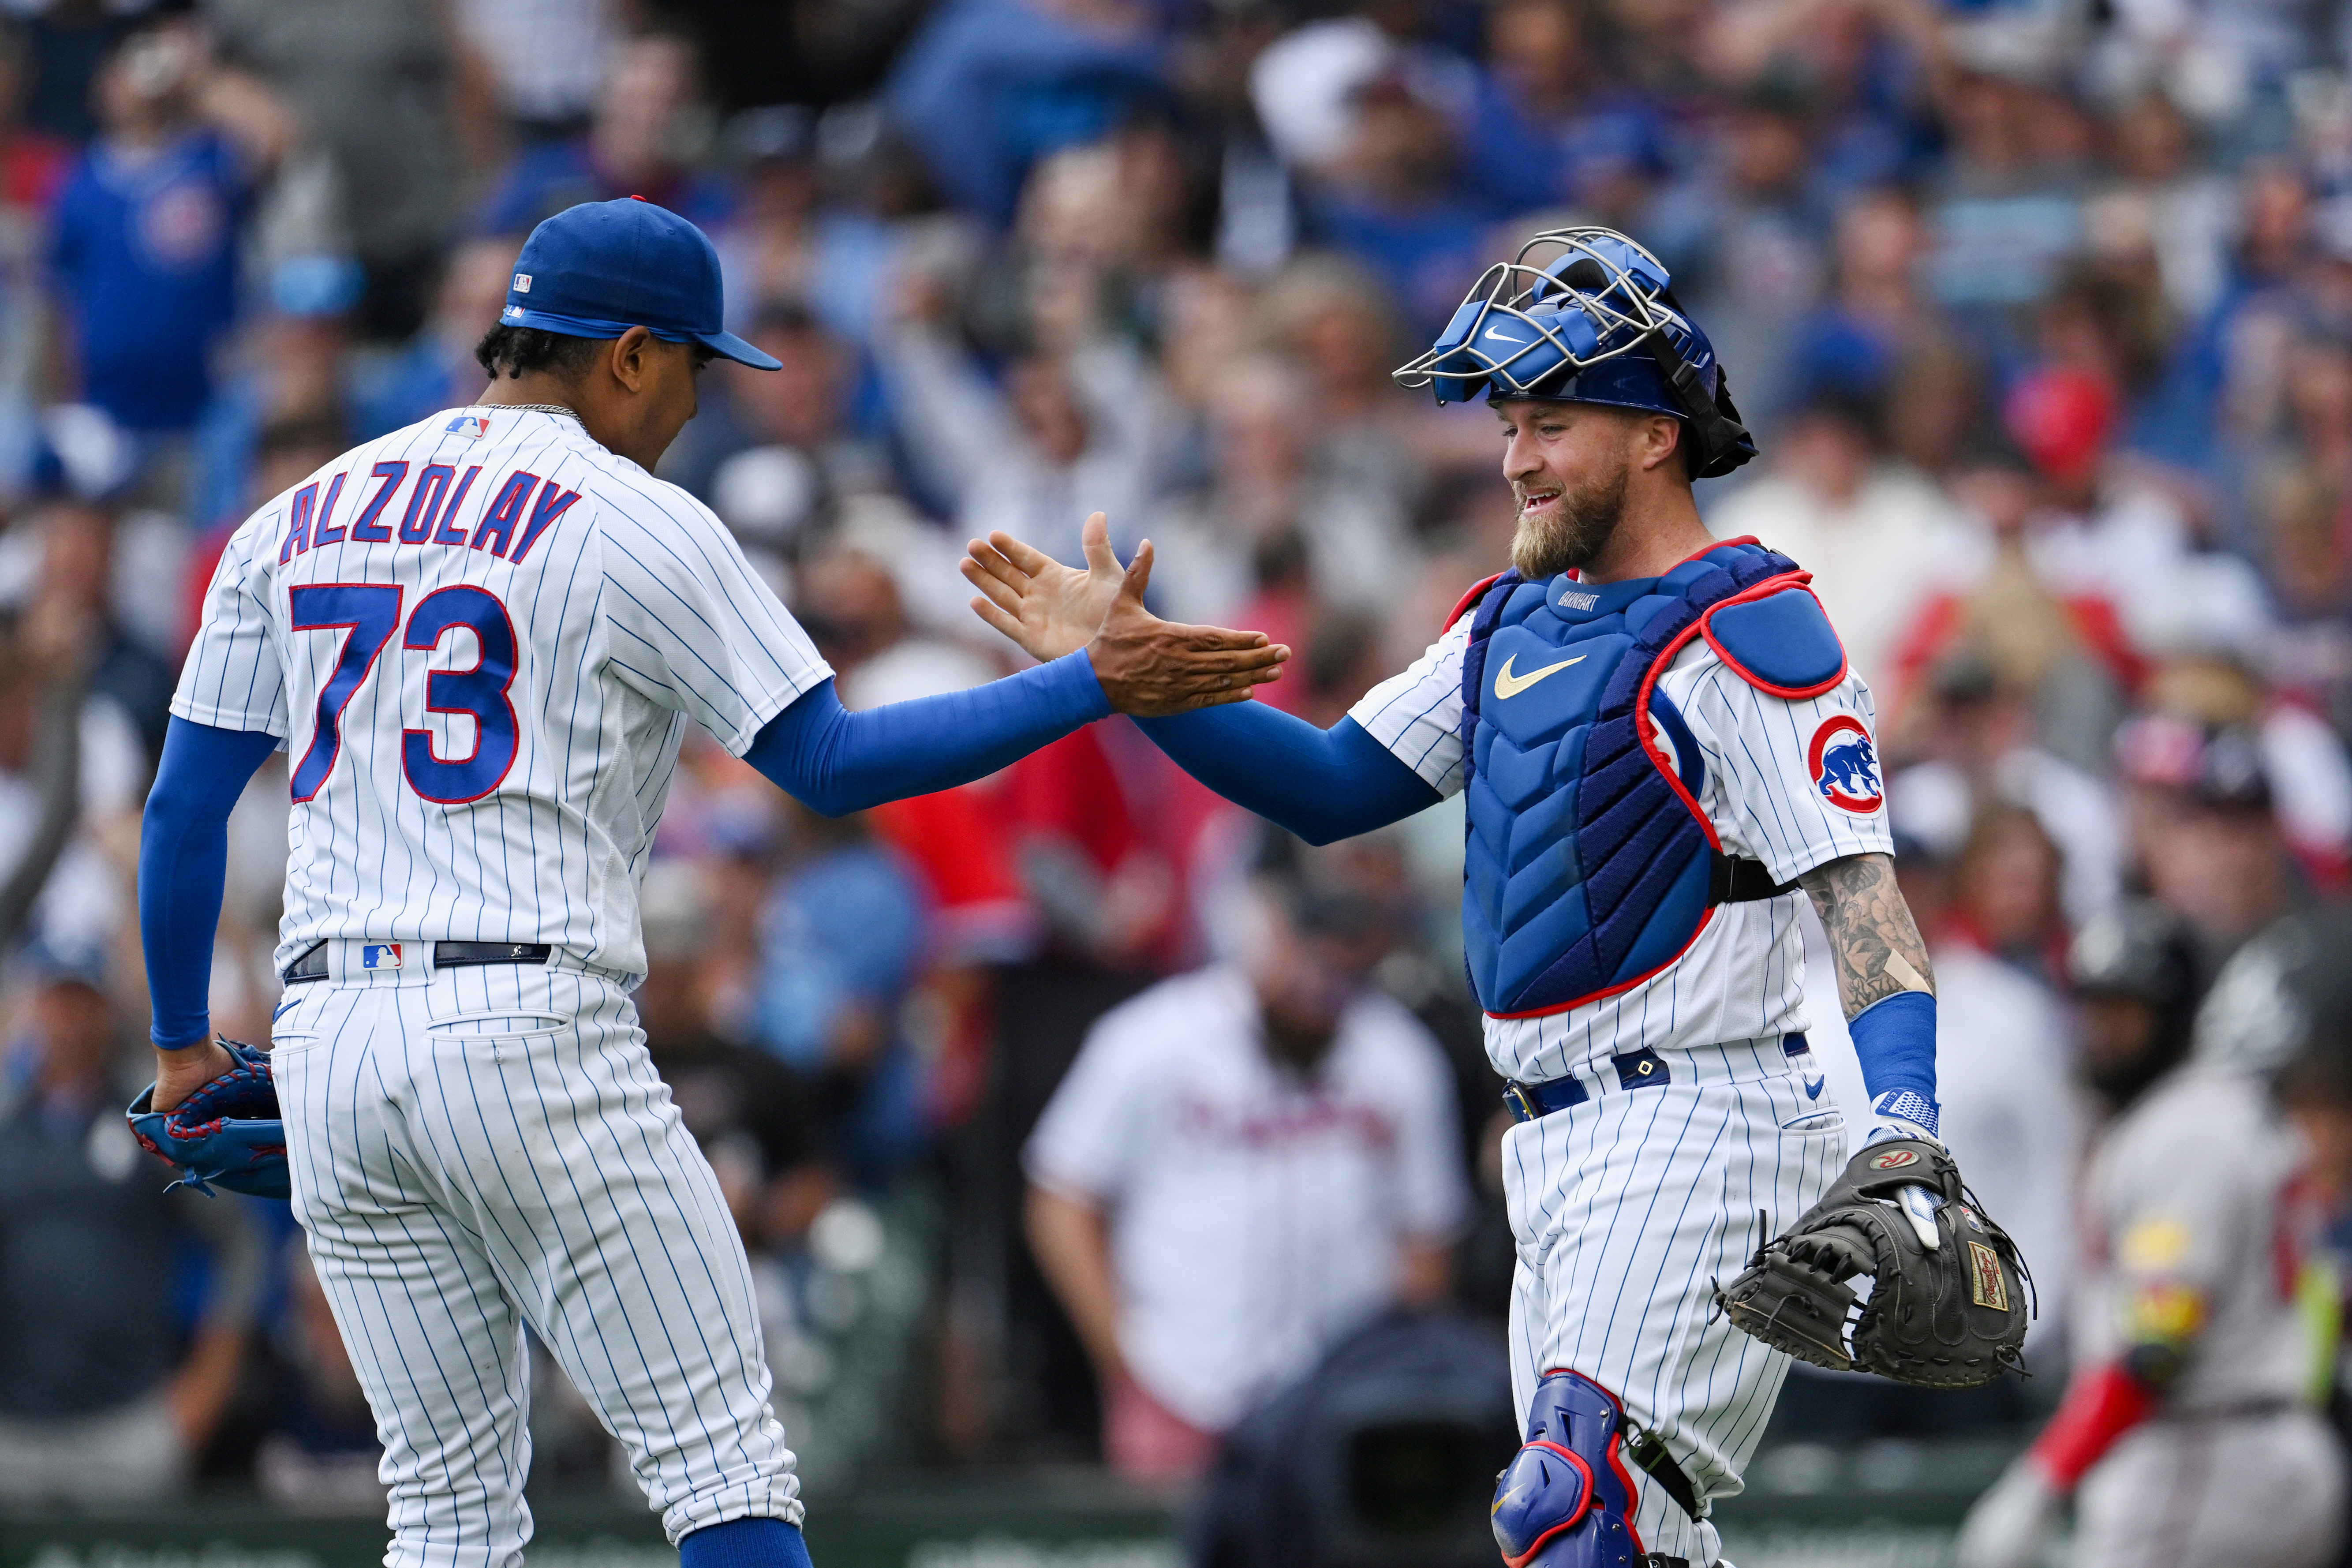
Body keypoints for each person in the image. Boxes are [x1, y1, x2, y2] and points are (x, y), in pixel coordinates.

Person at [134, 196, 1287, 1568]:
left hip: (330, 1033)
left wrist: (178, 1044)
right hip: (528, 1025)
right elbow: (834, 762)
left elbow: (183, 806)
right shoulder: (632, 517)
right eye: (689, 362)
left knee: (443, 1514)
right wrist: (1084, 682)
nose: (692, 400)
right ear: (625, 354)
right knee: (723, 1468)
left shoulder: (295, 514)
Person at [964, 227, 1989, 1568]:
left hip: (1703, 1114)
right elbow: (1329, 784)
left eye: (1548, 419)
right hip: (1550, 1141)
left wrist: (1904, 1122)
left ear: (1652, 434)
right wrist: (1123, 669)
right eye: (1509, 423)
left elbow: (1858, 893)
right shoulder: (1510, 621)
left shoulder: (1747, 624)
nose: (1513, 456)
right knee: (1636, 1535)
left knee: (1570, 1508)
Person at [1023, 861, 1469, 1483]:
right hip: (1182, 1391)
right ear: (1266, 943)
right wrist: (1125, 1360)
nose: (1319, 994)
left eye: (1338, 975)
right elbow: (1060, 1198)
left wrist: (1399, 1377)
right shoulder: (1155, 1037)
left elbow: (1426, 1234)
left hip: (1343, 1407)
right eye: (1305, 966)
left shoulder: (1396, 1056)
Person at [1957, 905, 2352, 1568]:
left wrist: (2045, 1477)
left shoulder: (2185, 1129)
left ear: (2172, 1015)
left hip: (2206, 1452)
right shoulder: (2214, 1111)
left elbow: (2159, 1343)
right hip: (2257, 1441)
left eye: (2127, 1010)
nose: (2103, 1031)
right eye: (2094, 1005)